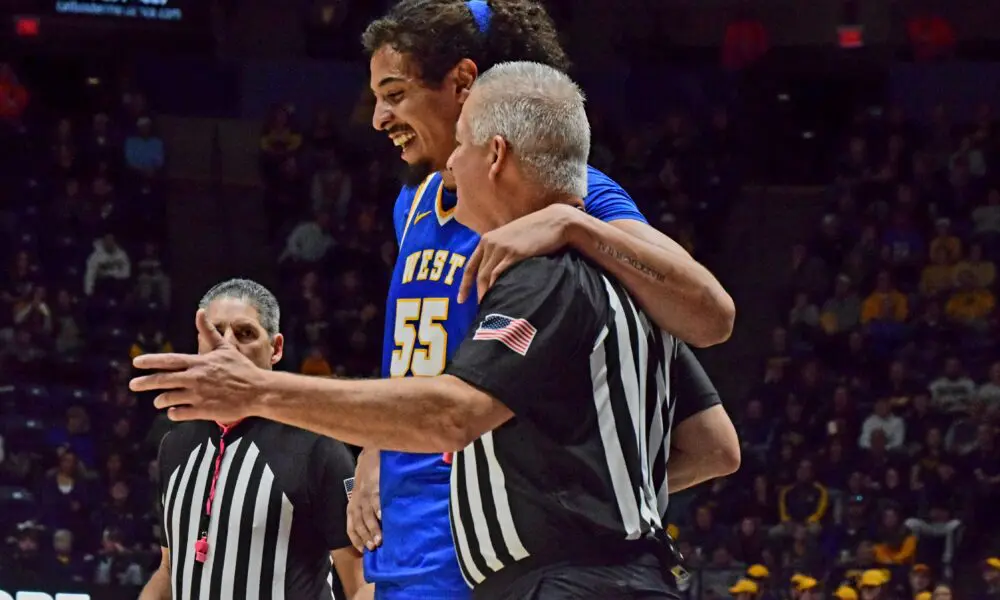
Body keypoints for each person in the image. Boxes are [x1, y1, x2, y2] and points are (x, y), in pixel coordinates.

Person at [130, 62, 738, 599]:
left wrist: (259, 391)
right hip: (603, 572)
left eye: (462, 146)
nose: (448, 162)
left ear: (495, 154)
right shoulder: (635, 283)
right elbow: (711, 444)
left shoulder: (547, 266)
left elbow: (451, 416)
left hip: (568, 580)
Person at [137, 279, 366, 600]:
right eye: (215, 333)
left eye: (244, 333)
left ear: (276, 349)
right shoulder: (174, 445)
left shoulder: (317, 447)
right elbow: (169, 569)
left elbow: (361, 582)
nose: (227, 346)